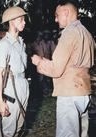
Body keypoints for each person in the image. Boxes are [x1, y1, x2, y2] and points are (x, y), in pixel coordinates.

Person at [31, 1, 95, 137]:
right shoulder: (86, 33)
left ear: (66, 12)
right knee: (83, 133)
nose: (55, 19)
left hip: (69, 93)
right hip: (84, 92)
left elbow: (56, 69)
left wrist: (38, 61)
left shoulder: (69, 33)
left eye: (57, 15)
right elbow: (73, 63)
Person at [0, 6, 29, 137]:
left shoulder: (21, 42)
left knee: (19, 126)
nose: (24, 22)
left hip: (23, 84)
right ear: (11, 22)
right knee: (9, 129)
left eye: (24, 19)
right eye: (21, 19)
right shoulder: (4, 45)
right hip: (11, 87)